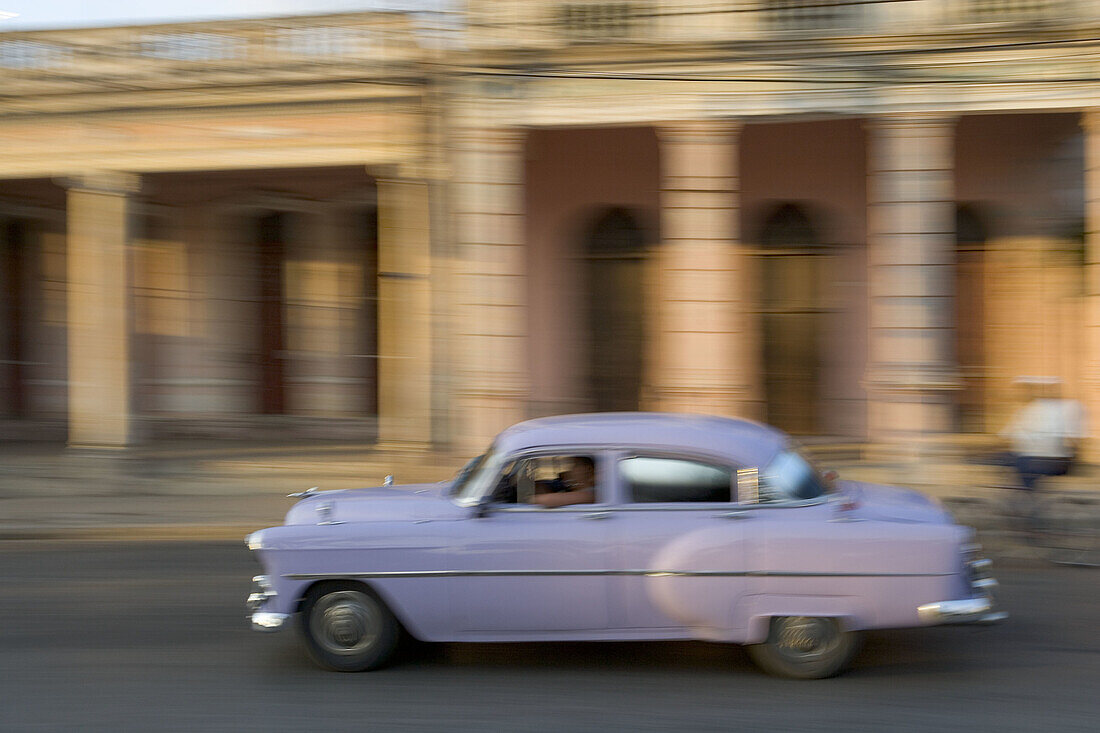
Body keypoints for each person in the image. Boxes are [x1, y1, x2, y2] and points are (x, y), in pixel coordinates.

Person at [1001, 377, 1087, 492]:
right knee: (1012, 460)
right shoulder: (1027, 409)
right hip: (1043, 457)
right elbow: (1008, 435)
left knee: (1019, 463)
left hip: (1040, 459)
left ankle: (1025, 496)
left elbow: (1008, 436)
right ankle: (1023, 494)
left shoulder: (1039, 409)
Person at [530, 458, 596, 508]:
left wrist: (527, 498)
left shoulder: (591, 494)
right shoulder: (579, 489)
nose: (571, 470)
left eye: (575, 465)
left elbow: (545, 500)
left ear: (588, 469)